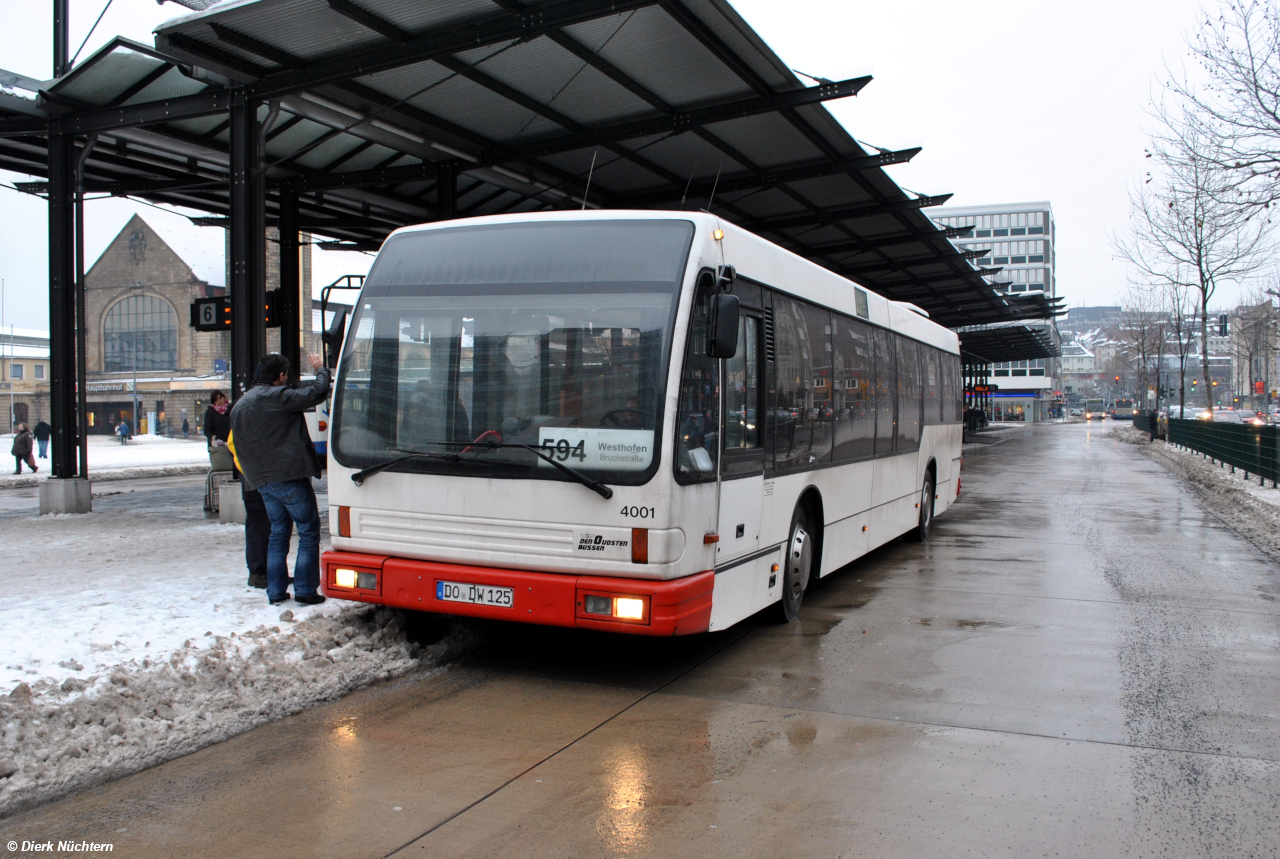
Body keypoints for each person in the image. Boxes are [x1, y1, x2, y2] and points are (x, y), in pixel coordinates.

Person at [230, 353, 330, 606]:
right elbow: (317, 393)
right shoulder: (278, 396)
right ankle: (306, 590)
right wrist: (320, 369)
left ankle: (276, 591)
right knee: (308, 530)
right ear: (282, 376)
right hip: (289, 475)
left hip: (262, 480)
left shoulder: (241, 404)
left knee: (278, 532)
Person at [204, 391, 234, 472]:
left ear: (224, 397)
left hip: (231, 445)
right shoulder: (210, 412)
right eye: (216, 400)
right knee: (221, 468)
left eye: (220, 398)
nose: (219, 401)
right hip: (218, 447)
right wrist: (215, 438)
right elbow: (207, 430)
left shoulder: (231, 409)